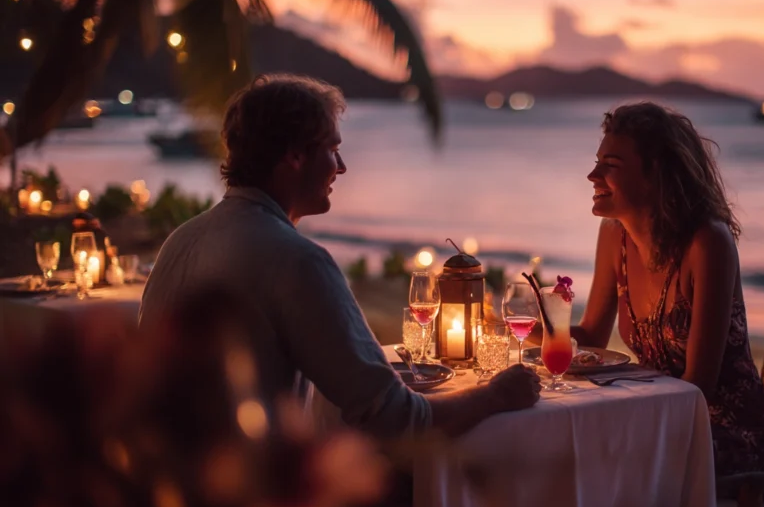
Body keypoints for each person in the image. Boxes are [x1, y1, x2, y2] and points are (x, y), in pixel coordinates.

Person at [139, 74, 540, 442]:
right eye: (333, 149)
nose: (342, 167)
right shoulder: (297, 261)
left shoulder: (180, 241)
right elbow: (394, 417)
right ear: (295, 155)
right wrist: (494, 395)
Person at [572, 101, 764, 475]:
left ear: (657, 173)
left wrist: (632, 417)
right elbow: (589, 336)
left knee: (605, 459)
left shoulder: (708, 244)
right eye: (598, 161)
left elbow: (698, 385)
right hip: (661, 417)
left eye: (612, 165)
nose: (593, 174)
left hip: (724, 430)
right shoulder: (614, 237)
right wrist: (518, 327)